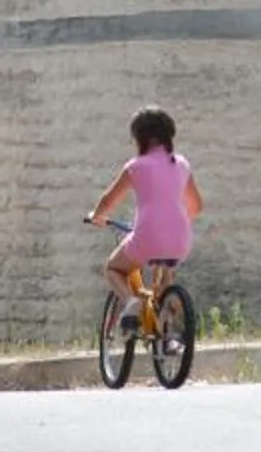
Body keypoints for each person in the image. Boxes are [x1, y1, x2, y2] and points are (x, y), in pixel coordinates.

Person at [86, 106, 203, 306]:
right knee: (164, 277)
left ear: (139, 137)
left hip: (147, 237)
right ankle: (170, 316)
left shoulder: (136, 166)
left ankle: (132, 303)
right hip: (180, 240)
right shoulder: (182, 164)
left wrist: (97, 216)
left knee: (113, 269)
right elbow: (196, 206)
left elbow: (108, 201)